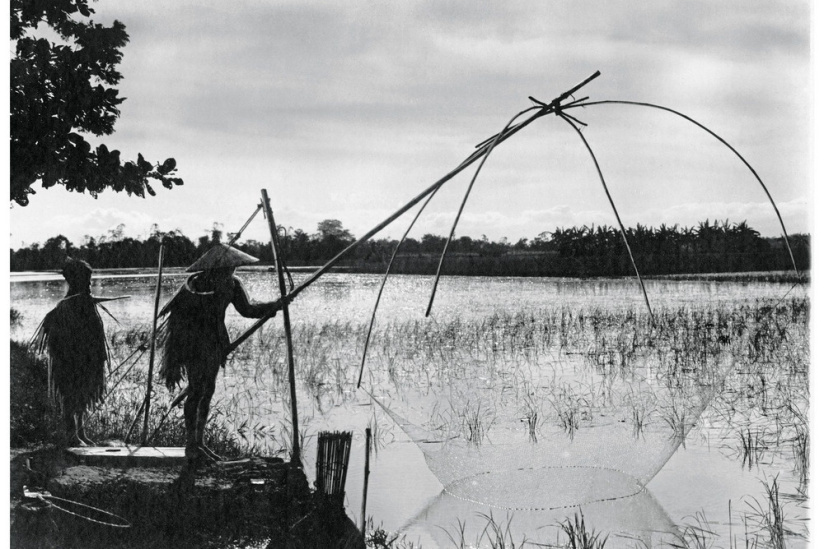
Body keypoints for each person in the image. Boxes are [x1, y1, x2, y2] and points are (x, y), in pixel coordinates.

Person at [158, 244, 280, 463]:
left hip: (214, 344)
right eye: (230, 266)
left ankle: (199, 442)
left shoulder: (231, 285)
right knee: (197, 390)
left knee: (206, 390)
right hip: (195, 343)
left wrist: (274, 306)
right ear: (220, 266)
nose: (233, 270)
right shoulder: (195, 284)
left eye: (234, 267)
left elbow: (248, 310)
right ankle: (192, 445)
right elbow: (176, 314)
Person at [32, 258, 109, 447]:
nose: (90, 283)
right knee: (69, 394)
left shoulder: (84, 304)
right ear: (76, 279)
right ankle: (71, 434)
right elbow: (59, 342)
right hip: (69, 362)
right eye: (87, 279)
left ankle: (81, 432)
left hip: (86, 360)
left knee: (83, 394)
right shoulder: (64, 309)